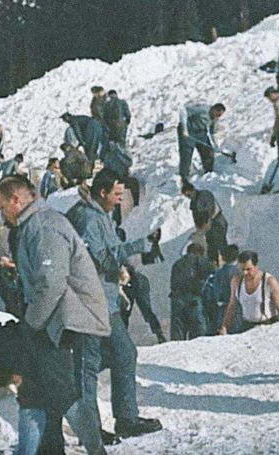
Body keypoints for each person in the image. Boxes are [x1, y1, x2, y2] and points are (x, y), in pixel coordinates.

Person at [0, 176, 110, 455]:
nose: (1, 214)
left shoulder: (44, 226)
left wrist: (31, 323)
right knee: (32, 393)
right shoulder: (31, 226)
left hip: (61, 323)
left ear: (16, 200)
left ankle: (97, 451)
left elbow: (52, 282)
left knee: (64, 393)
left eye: (1, 207)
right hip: (48, 321)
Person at [65, 168, 163, 440]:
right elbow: (99, 258)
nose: (120, 199)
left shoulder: (99, 216)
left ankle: (127, 419)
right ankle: (89, 429)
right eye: (117, 194)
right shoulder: (86, 218)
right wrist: (139, 246)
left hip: (105, 301)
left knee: (124, 353)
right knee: (87, 364)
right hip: (87, 302)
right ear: (103, 192)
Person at [219, 251, 279, 334]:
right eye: (242, 269)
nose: (245, 273)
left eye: (249, 269)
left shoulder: (269, 281)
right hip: (246, 326)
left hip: (268, 327)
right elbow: (231, 305)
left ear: (256, 267)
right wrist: (224, 326)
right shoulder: (236, 281)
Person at [169, 243, 213, 340]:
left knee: (178, 332)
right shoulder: (199, 259)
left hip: (176, 299)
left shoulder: (177, 263)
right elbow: (212, 272)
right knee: (198, 332)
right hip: (193, 300)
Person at [181, 181, 227, 265]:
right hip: (206, 226)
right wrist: (199, 227)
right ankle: (213, 266)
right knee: (211, 246)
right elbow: (196, 217)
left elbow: (210, 210)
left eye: (189, 195)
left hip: (217, 221)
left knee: (220, 244)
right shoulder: (193, 203)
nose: (189, 197)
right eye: (187, 196)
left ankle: (228, 264)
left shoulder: (205, 195)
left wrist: (206, 222)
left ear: (193, 190)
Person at [177, 103, 225, 180]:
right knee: (186, 153)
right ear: (213, 109)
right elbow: (183, 111)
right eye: (217, 114)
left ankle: (208, 173)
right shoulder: (202, 109)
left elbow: (213, 132)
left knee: (208, 151)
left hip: (201, 132)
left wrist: (215, 145)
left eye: (220, 115)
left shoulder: (215, 118)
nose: (218, 116)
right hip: (189, 131)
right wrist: (184, 129)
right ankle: (184, 176)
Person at [121, 266, 166, 344]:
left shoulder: (136, 279)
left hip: (136, 284)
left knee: (144, 310)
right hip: (133, 283)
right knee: (144, 311)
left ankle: (159, 334)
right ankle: (159, 334)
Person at [205, 244, 241, 335]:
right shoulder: (239, 274)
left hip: (217, 313)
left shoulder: (215, 274)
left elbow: (208, 293)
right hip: (236, 314)